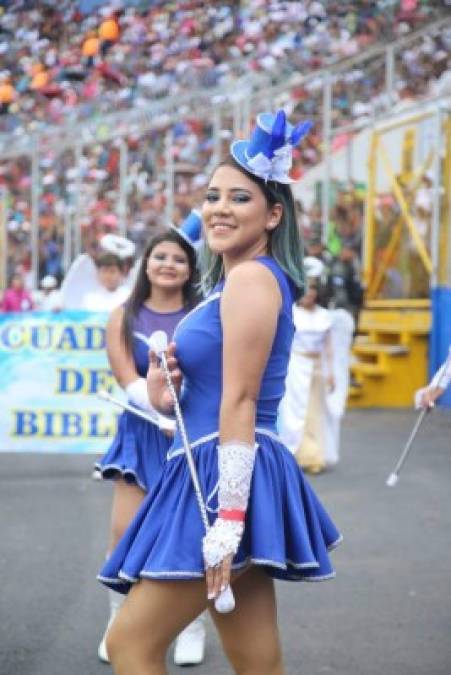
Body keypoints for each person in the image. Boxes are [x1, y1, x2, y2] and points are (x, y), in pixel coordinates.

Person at [98, 110, 341, 675]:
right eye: (212, 197)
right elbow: (211, 394)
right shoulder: (232, 282)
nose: (219, 209)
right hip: (220, 464)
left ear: (274, 214)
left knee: (131, 645)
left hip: (222, 476)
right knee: (258, 665)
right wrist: (165, 394)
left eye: (239, 198)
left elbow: (241, 401)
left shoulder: (254, 278)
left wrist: (229, 517)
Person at [95, 220, 210, 665]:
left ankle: (191, 626)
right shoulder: (124, 315)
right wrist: (158, 406)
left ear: (189, 268)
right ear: (146, 264)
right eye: (160, 256)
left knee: (191, 533)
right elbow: (126, 377)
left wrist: (182, 415)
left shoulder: (203, 315)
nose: (168, 264)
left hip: (191, 436)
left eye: (179, 259)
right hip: (142, 433)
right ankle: (117, 623)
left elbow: (210, 374)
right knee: (126, 530)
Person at [278, 257, 353, 474]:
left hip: (316, 368)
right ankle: (295, 452)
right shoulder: (292, 313)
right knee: (294, 411)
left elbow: (329, 347)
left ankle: (313, 454)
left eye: (313, 289)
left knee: (314, 411)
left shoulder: (324, 316)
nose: (309, 293)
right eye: (306, 289)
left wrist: (331, 373)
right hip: (296, 366)